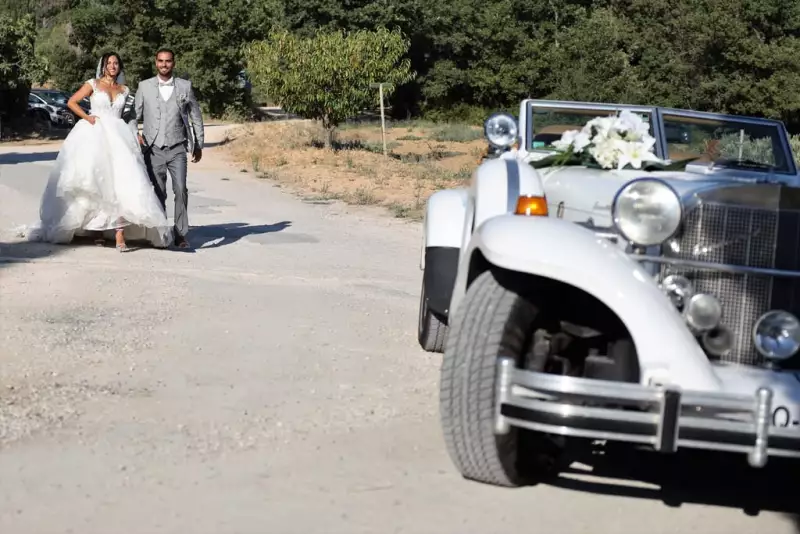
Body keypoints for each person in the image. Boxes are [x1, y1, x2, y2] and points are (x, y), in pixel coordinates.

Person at [24, 52, 172, 251]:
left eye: (116, 63)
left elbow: (129, 116)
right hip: (95, 133)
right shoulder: (93, 84)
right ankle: (98, 230)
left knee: (121, 183)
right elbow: (72, 102)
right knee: (97, 182)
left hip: (120, 136)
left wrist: (135, 133)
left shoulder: (125, 89)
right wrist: (88, 118)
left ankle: (120, 233)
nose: (112, 66)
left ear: (119, 67)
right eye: (109, 63)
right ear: (103, 66)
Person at [129, 47, 205, 249]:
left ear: (174, 63)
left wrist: (199, 143)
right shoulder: (144, 87)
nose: (164, 64)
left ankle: (180, 232)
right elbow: (133, 116)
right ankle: (162, 231)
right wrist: (135, 134)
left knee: (180, 189)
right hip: (153, 148)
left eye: (168, 61)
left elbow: (196, 116)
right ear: (155, 62)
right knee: (159, 192)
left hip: (177, 146)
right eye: (161, 61)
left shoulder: (185, 87)